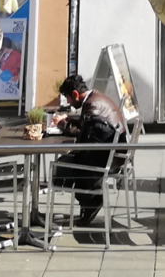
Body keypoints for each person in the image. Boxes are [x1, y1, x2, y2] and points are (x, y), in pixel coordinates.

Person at [48, 73, 124, 226]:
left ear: (75, 94)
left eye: (68, 98)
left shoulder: (92, 105)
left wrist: (63, 125)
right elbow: (88, 125)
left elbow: (83, 135)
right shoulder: (95, 97)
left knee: (61, 165)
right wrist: (69, 119)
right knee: (66, 161)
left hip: (104, 158)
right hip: (113, 152)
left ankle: (91, 199)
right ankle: (88, 200)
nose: (68, 102)